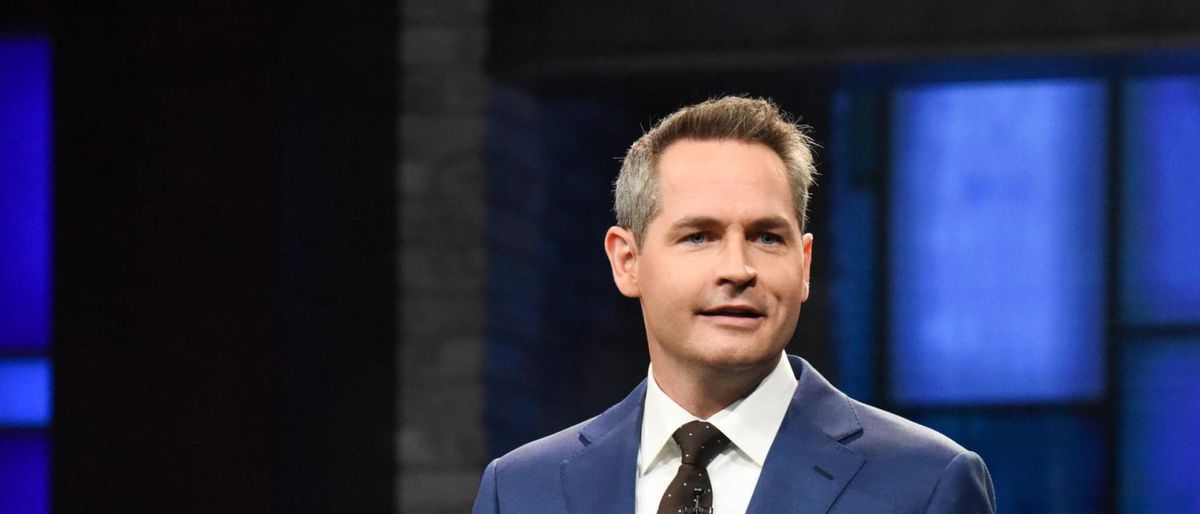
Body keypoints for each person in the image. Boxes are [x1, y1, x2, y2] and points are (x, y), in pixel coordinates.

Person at [472, 96, 996, 513]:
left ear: (804, 264)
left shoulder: (925, 483)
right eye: (699, 236)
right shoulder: (521, 490)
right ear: (627, 261)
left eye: (767, 237)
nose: (739, 268)